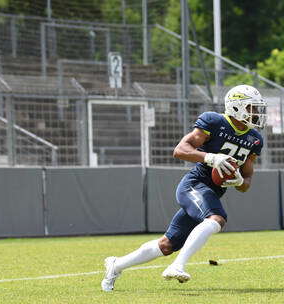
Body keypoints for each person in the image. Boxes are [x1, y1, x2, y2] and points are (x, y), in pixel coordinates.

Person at [101, 84, 267, 291]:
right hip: (194, 185)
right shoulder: (215, 121)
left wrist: (240, 181)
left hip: (211, 192)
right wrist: (210, 157)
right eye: (250, 107)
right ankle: (177, 266)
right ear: (235, 106)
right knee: (216, 219)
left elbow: (247, 181)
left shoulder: (254, 140)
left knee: (166, 245)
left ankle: (115, 265)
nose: (255, 113)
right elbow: (180, 150)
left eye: (256, 108)